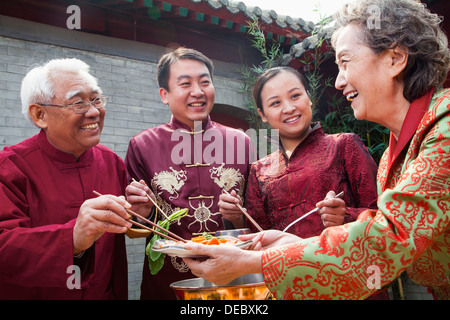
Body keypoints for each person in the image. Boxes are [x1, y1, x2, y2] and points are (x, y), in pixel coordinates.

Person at [184, 0, 450, 300]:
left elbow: (385, 236)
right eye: (274, 103)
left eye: (346, 62)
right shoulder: (393, 153)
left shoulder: (443, 130)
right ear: (261, 114)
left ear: (395, 58)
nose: (338, 81)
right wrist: (284, 242)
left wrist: (257, 261)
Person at [124, 47, 253, 299]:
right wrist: (141, 213)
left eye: (205, 82)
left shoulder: (241, 142)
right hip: (168, 283)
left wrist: (239, 217)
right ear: (165, 94)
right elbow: (134, 227)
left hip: (233, 279)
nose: (198, 91)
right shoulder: (142, 145)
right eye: (185, 84)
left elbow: (260, 215)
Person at [0, 58, 131, 299]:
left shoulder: (111, 162)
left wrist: (140, 213)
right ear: (40, 114)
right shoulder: (10, 166)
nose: (93, 112)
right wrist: (72, 238)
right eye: (78, 103)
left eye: (96, 99)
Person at [219, 66, 379, 239]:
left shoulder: (343, 145)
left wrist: (346, 216)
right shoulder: (259, 170)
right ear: (262, 114)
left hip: (340, 263)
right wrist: (237, 217)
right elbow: (259, 234)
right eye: (275, 103)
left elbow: (381, 216)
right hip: (282, 265)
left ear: (309, 98)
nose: (288, 108)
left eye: (295, 96)